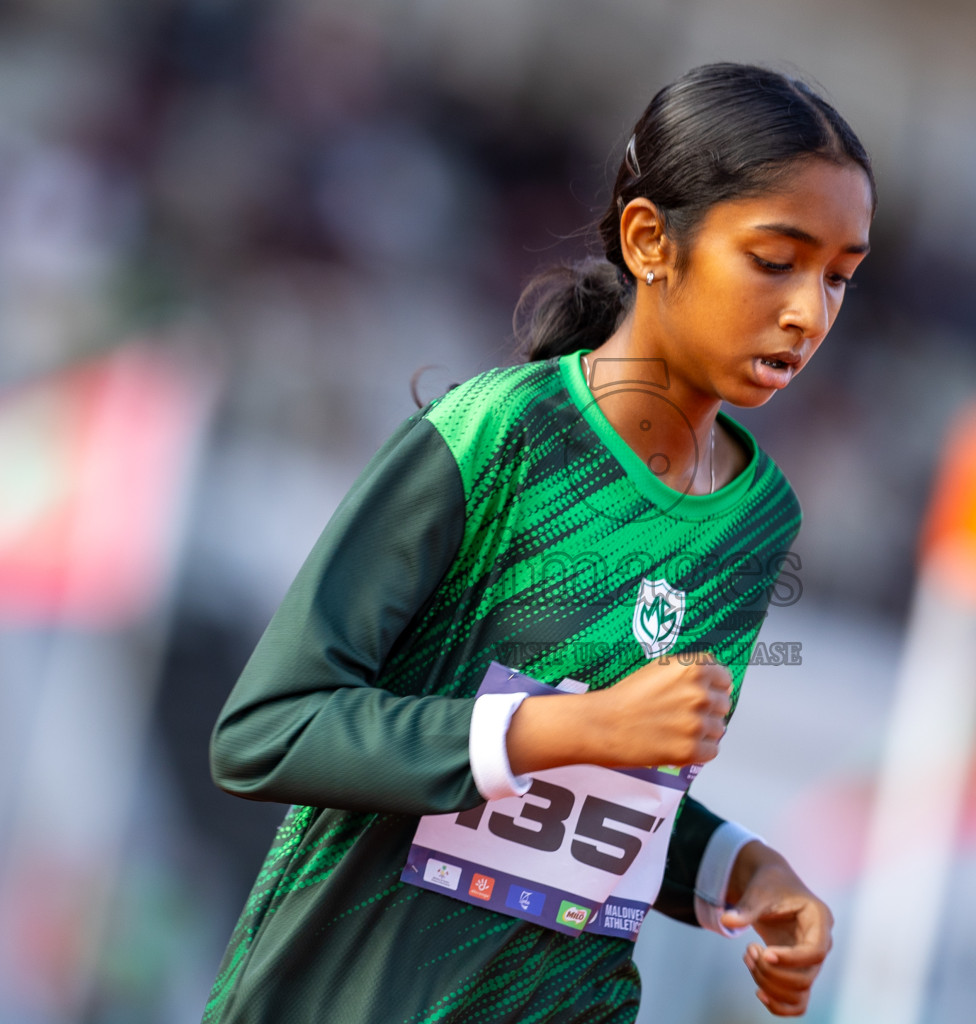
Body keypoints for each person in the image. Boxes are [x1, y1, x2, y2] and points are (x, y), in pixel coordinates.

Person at [202, 62, 875, 1022]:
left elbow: (604, 799)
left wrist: (739, 867)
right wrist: (571, 726)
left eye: (841, 277)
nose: (811, 313)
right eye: (776, 259)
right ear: (651, 240)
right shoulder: (497, 437)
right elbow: (267, 732)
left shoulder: (761, 519)